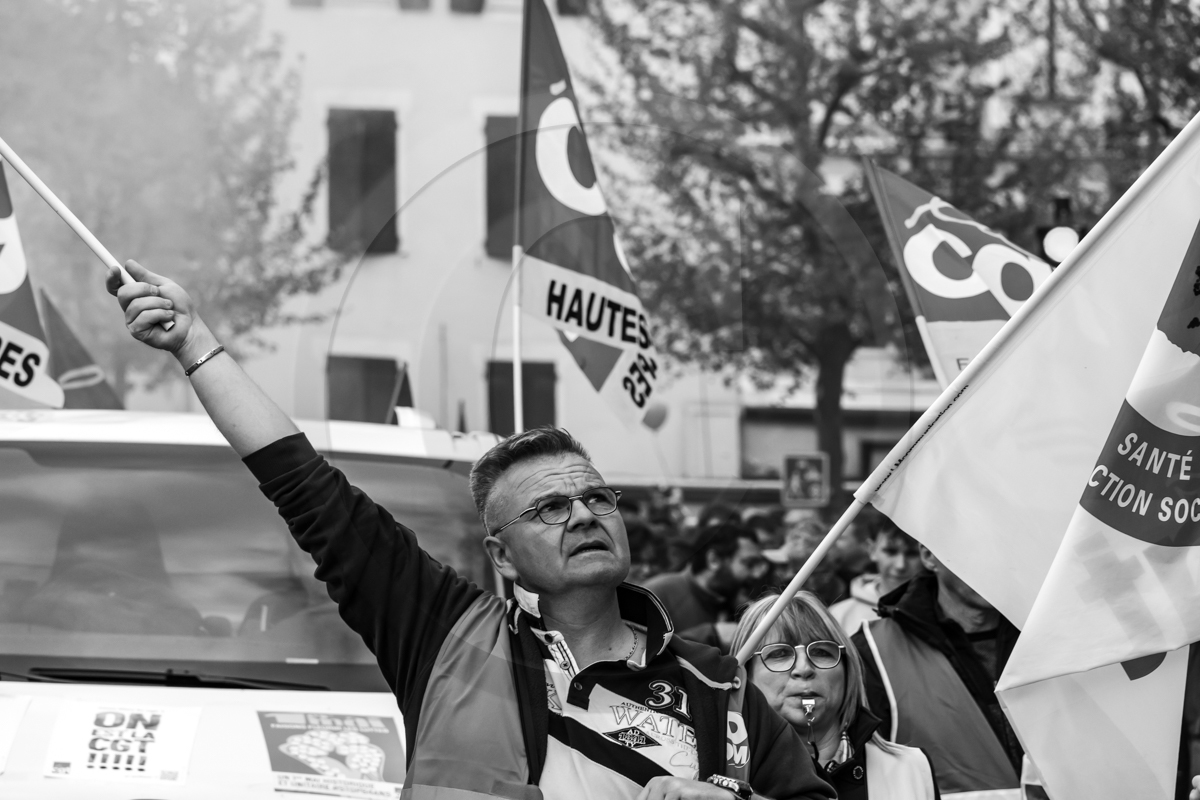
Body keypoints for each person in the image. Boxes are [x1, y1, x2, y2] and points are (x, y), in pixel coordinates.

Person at [109, 261, 835, 800]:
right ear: (502, 556)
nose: (582, 514)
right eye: (550, 509)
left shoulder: (718, 685)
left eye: (596, 498)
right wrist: (195, 345)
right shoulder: (443, 633)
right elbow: (307, 488)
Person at [851, 545, 1024, 798]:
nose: (991, 564)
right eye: (975, 547)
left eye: (1000, 546)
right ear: (929, 556)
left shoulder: (1053, 637)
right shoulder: (873, 651)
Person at [730, 591, 939, 800]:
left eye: (821, 651)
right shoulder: (717, 774)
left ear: (848, 671)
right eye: (779, 654)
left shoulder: (911, 769)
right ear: (744, 676)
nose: (804, 668)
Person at [643, 521, 767, 633]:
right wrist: (711, 635)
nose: (757, 574)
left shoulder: (736, 602)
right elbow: (640, 652)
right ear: (714, 560)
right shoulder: (656, 595)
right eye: (749, 563)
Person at [829, 518, 922, 634]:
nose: (901, 565)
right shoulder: (838, 616)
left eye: (912, 554)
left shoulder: (942, 610)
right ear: (872, 549)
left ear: (926, 556)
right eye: (890, 552)